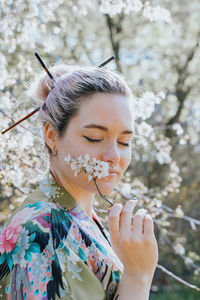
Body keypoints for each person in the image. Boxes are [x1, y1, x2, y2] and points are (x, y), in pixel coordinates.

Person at [0, 64, 158, 300]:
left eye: (125, 142)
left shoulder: (81, 219)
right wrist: (137, 277)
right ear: (52, 136)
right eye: (94, 138)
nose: (114, 155)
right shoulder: (41, 233)